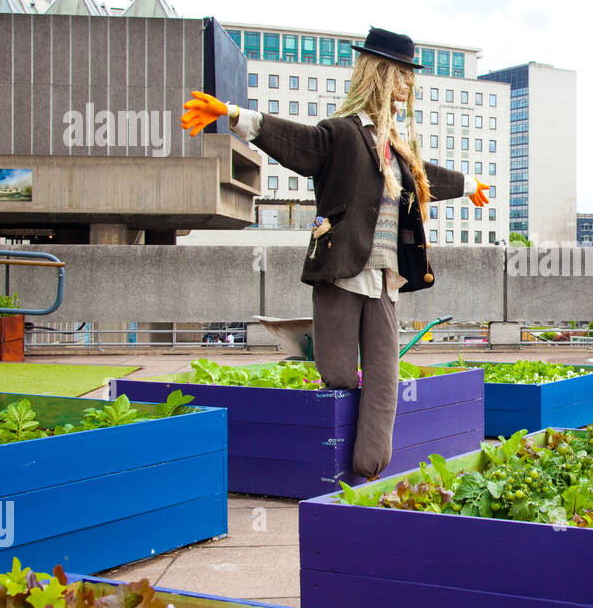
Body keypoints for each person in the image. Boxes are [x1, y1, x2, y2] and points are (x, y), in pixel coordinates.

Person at [180, 27, 489, 479]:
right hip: (342, 274)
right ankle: (330, 460)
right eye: (402, 76)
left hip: (384, 281)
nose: (408, 87)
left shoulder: (396, 151)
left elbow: (427, 178)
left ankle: (368, 469)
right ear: (381, 74)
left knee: (384, 378)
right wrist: (233, 115)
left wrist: (469, 185)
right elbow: (299, 143)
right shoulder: (341, 134)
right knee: (339, 372)